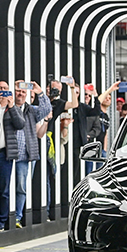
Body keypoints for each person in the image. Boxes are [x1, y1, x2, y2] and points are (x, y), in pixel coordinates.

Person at [10, 80, 51, 228]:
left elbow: (47, 109)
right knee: (6, 187)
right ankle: (6, 216)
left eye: (22, 92)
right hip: (7, 153)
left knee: (21, 187)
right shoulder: (7, 107)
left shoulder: (31, 110)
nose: (20, 94)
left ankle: (17, 217)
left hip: (25, 156)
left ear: (27, 94)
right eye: (17, 90)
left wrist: (39, 91)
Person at [36, 78, 79, 219]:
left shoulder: (59, 103)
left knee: (50, 176)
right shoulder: (40, 99)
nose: (52, 91)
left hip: (50, 143)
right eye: (51, 88)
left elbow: (74, 104)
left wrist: (72, 88)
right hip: (36, 138)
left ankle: (48, 210)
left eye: (56, 90)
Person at [70, 81, 119, 184]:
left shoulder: (84, 108)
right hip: (71, 143)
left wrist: (96, 95)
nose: (87, 96)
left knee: (87, 174)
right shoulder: (69, 105)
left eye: (88, 95)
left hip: (83, 145)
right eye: (84, 94)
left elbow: (96, 113)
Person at [0, 81, 24, 231]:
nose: (2, 92)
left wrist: (11, 106)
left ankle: (2, 220)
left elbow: (20, 124)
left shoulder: (13, 109)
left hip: (5, 153)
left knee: (4, 189)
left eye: (5, 89)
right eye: (0, 89)